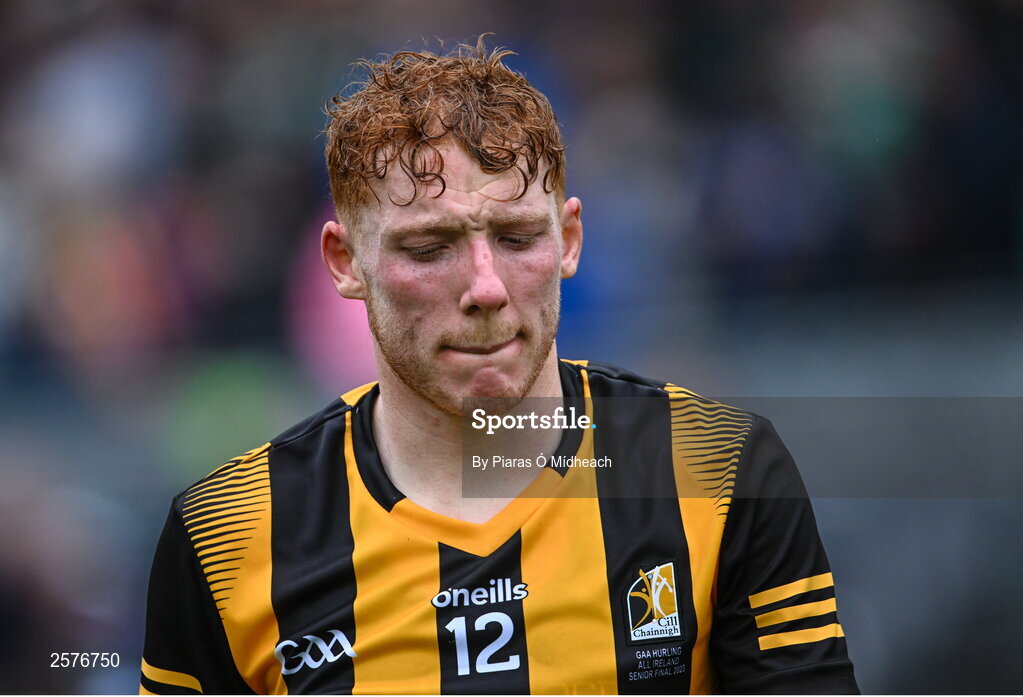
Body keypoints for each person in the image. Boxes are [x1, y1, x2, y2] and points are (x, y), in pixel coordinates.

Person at [140, 38, 858, 695]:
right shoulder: (226, 535)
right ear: (344, 261)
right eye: (429, 248)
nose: (485, 286)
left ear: (569, 239)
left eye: (516, 237)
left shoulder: (718, 470)